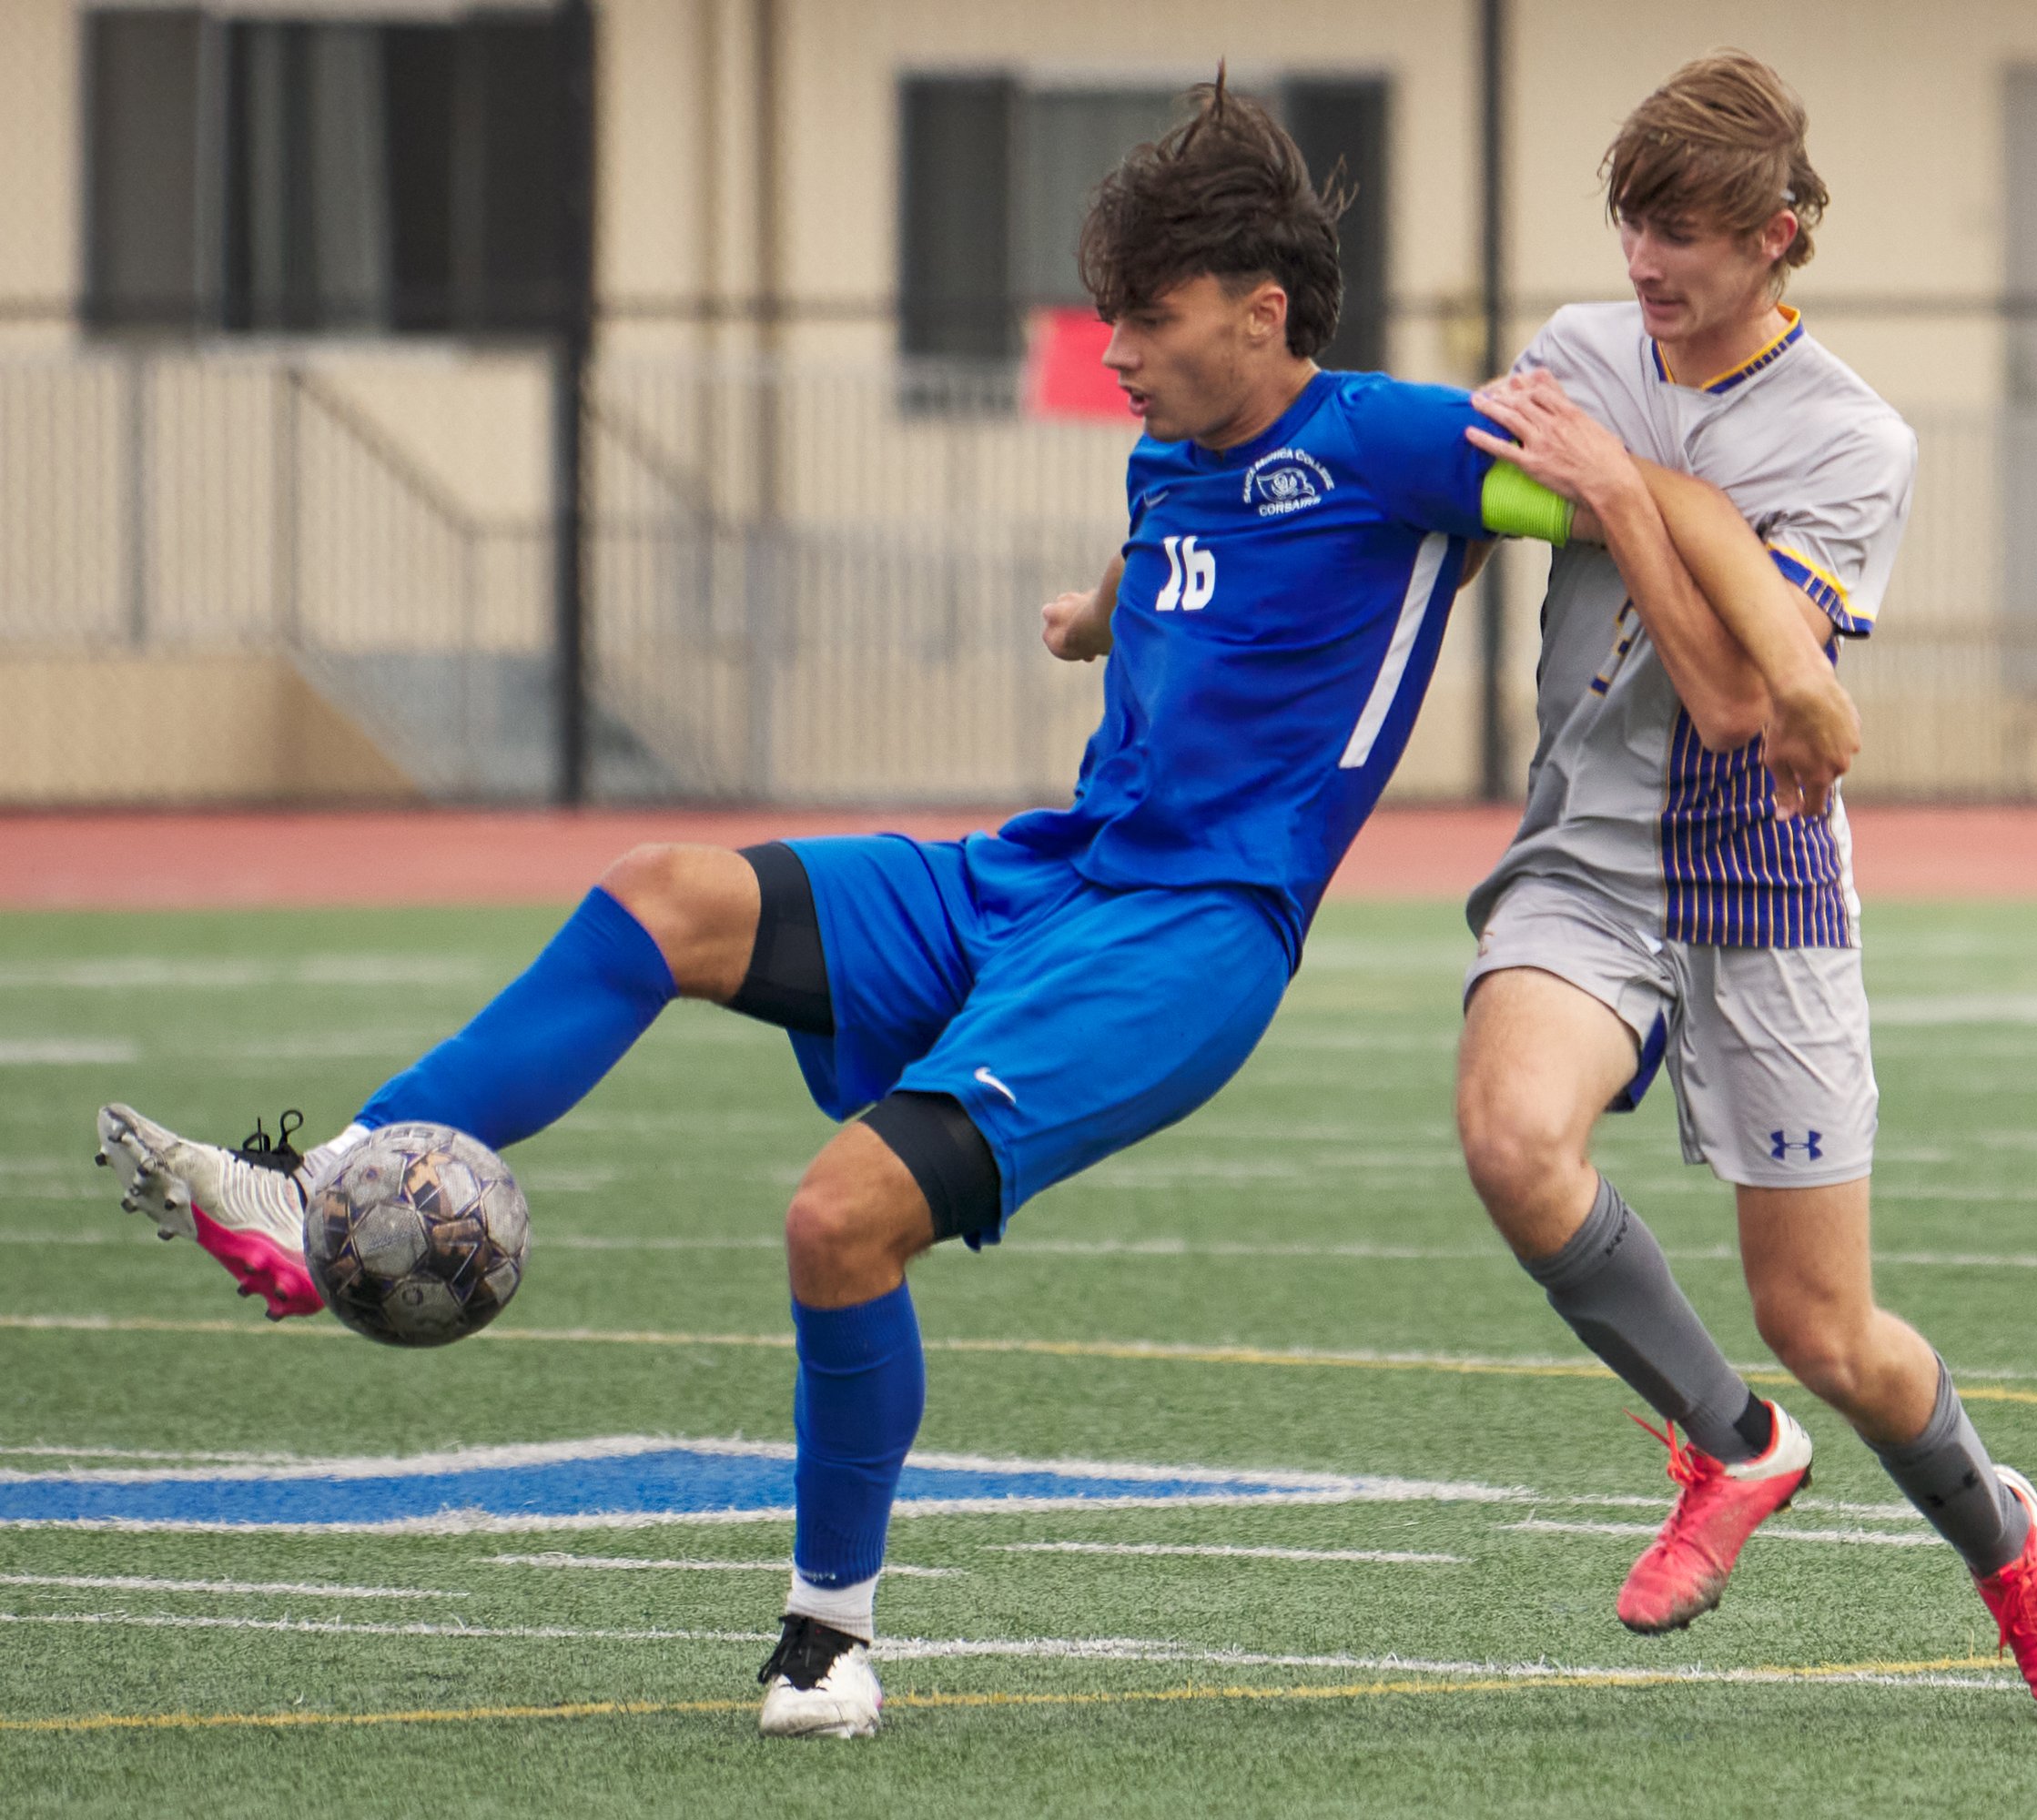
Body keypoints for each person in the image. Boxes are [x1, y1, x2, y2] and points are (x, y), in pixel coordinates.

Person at [88, 76, 1824, 1740]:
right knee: (663, 897)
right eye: (1108, 318)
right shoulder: (1171, 455)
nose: (1114, 352)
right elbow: (1192, 590)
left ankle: (829, 1634)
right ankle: (324, 1191)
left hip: (1183, 939)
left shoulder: (1389, 440)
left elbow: (1664, 499)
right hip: (1043, 874)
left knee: (839, 1224)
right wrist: (1100, 620)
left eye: (1146, 317)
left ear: (1264, 309)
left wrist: (1750, 626)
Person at [1454, 50, 2037, 1718]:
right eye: (1629, 225)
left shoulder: (1854, 440)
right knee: (1510, 1141)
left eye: (1679, 232)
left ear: (1778, 238)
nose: (1642, 266)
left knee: (1832, 1330)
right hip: (1587, 864)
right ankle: (1731, 1449)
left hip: (1760, 882)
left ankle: (2009, 1549)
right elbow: (1432, 489)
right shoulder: (1578, 349)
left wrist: (1626, 491)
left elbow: (1750, 710)